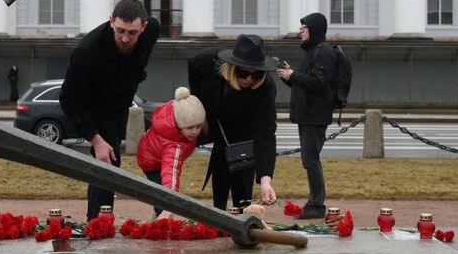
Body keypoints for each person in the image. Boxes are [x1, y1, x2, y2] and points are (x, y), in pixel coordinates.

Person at [60, 0, 160, 219]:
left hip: (123, 98)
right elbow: (68, 98)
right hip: (96, 104)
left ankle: (163, 211)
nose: (125, 39)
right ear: (111, 21)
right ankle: (97, 222)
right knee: (107, 160)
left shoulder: (151, 29)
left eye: (132, 33)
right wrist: (96, 140)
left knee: (151, 155)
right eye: (120, 31)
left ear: (143, 27)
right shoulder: (88, 50)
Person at [188, 34, 279, 211]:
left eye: (256, 74)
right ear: (231, 67)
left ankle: (241, 212)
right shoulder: (207, 62)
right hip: (219, 122)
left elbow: (266, 132)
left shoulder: (266, 87)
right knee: (220, 169)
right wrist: (200, 108)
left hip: (245, 128)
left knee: (242, 178)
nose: (249, 79)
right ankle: (218, 212)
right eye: (243, 73)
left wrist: (265, 180)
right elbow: (192, 66)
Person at [278, 13, 339, 219]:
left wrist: (293, 75)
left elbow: (319, 83)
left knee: (310, 160)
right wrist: (288, 77)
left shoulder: (323, 52)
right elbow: (305, 83)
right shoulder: (313, 51)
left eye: (304, 27)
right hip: (308, 115)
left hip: (315, 115)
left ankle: (317, 205)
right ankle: (314, 202)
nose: (300, 31)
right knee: (310, 159)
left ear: (314, 29)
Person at [136, 87, 206, 216]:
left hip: (151, 148)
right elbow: (171, 172)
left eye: (198, 126)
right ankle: (162, 217)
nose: (195, 132)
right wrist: (170, 205)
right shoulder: (173, 145)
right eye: (190, 127)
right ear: (178, 125)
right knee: (160, 191)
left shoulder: (176, 112)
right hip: (151, 162)